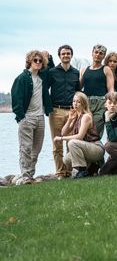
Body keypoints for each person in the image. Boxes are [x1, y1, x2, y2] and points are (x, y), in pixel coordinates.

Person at [11, 50, 53, 184]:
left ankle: (30, 174)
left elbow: (50, 70)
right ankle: (25, 176)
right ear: (29, 61)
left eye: (40, 61)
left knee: (37, 149)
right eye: (35, 60)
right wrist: (21, 117)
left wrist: (49, 57)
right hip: (27, 118)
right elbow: (16, 100)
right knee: (26, 148)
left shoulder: (42, 77)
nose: (38, 63)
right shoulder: (22, 78)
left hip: (40, 118)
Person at [47, 44, 80, 179]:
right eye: (63, 54)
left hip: (72, 111)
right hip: (56, 110)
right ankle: (60, 172)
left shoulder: (75, 73)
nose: (66, 55)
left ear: (71, 55)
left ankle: (70, 171)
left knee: (71, 142)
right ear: (59, 56)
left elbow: (77, 91)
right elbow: (44, 90)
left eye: (68, 53)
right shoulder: (52, 72)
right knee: (57, 143)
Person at [54, 92, 105, 178]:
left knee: (72, 143)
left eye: (78, 102)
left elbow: (79, 136)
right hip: (86, 148)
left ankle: (82, 170)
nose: (75, 104)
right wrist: (70, 119)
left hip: (96, 148)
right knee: (66, 160)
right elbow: (63, 132)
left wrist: (61, 138)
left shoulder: (86, 117)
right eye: (74, 101)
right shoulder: (76, 117)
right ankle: (92, 167)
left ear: (83, 103)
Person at [80, 44, 114, 137]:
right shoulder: (84, 70)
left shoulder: (106, 69)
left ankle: (96, 149)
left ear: (103, 56)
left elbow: (111, 89)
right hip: (86, 103)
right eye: (96, 52)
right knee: (84, 130)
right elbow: (78, 88)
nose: (98, 55)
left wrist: (109, 104)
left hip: (100, 103)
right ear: (92, 53)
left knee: (96, 130)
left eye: (101, 53)